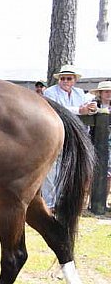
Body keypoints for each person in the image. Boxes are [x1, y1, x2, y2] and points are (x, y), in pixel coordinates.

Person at [42, 65, 96, 211]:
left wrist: (92, 107)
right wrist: (80, 110)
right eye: (62, 78)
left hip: (75, 138)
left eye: (69, 78)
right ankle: (49, 202)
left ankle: (62, 200)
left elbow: (90, 103)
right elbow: (57, 109)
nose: (65, 81)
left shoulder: (80, 93)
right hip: (55, 135)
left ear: (74, 80)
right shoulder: (50, 92)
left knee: (68, 168)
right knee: (51, 168)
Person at [89, 80, 111, 207]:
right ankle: (90, 201)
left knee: (109, 174)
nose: (108, 94)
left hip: (109, 144)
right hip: (95, 142)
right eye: (106, 91)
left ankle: (104, 200)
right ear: (100, 93)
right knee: (93, 172)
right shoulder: (93, 104)